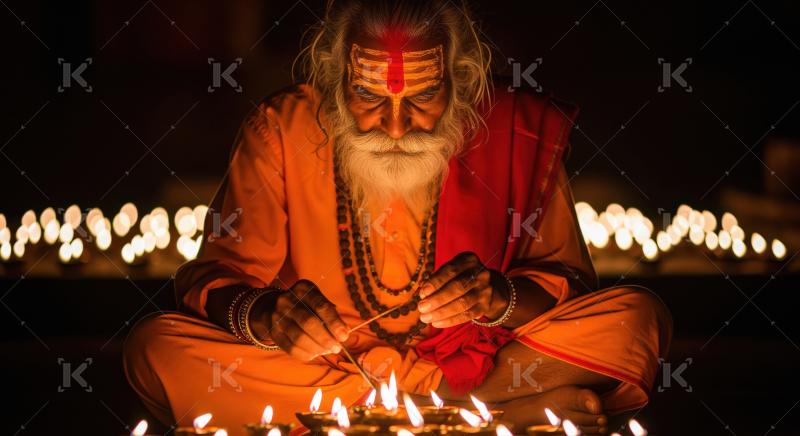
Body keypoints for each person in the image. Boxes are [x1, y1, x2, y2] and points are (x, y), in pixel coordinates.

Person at [124, 1, 671, 434]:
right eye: (367, 95)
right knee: (156, 348)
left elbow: (566, 284)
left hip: (478, 364)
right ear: (336, 77)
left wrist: (495, 298)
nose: (394, 125)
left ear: (458, 78)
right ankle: (483, 415)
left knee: (638, 320)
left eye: (424, 96)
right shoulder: (281, 129)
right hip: (328, 371)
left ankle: (383, 417)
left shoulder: (512, 129)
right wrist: (268, 316)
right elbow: (213, 279)